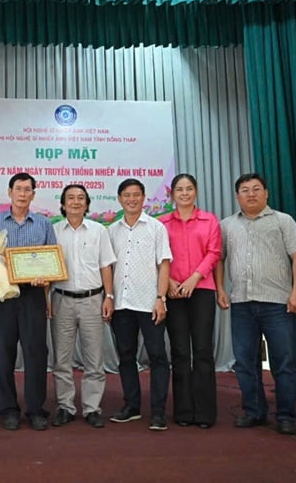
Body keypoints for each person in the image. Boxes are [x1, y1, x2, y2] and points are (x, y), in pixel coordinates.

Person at [215, 172, 296, 436]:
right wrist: (221, 289)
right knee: (245, 362)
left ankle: (286, 415)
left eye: (256, 189)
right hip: (242, 304)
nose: (251, 194)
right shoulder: (227, 225)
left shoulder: (282, 221)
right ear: (237, 196)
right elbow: (219, 259)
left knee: (284, 361)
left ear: (266, 193)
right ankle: (254, 411)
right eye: (245, 190)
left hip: (278, 303)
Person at [0, 172, 57, 431]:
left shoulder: (44, 224)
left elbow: (53, 260)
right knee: (3, 353)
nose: (23, 194)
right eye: (18, 189)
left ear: (34, 194)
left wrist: (46, 277)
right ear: (9, 192)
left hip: (33, 296)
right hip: (3, 296)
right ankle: (8, 409)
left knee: (35, 353)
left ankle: (36, 409)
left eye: (27, 190)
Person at [108, 178, 172, 431]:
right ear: (120, 199)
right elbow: (108, 267)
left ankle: (158, 412)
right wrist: (110, 297)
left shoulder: (156, 228)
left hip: (149, 303)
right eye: (126, 195)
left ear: (143, 198)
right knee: (126, 356)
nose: (131, 199)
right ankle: (131, 406)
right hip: (122, 304)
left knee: (157, 357)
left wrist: (161, 298)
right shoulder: (111, 231)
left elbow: (164, 263)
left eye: (136, 195)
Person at [50, 184, 116, 429]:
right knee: (61, 359)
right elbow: (47, 268)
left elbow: (105, 266)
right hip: (61, 300)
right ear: (63, 204)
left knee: (94, 359)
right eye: (70, 198)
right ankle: (65, 407)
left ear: (87, 204)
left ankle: (92, 408)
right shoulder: (53, 231)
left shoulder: (99, 231)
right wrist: (47, 299)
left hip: (92, 300)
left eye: (80, 198)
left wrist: (109, 296)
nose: (76, 202)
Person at [160, 174, 222, 429]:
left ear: (195, 192)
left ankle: (205, 412)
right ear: (172, 194)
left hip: (202, 290)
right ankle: (184, 411)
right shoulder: (161, 223)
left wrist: (194, 279)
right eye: (179, 189)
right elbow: (158, 257)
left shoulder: (210, 220)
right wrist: (171, 284)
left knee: (203, 350)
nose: (184, 193)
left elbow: (214, 253)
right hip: (173, 293)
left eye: (189, 189)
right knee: (180, 352)